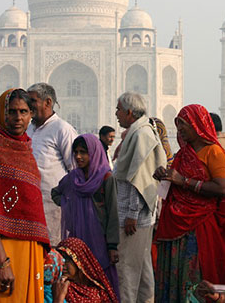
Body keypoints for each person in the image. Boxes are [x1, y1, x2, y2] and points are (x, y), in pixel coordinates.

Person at [0, 88, 50, 302]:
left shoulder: (26, 150)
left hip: (26, 248)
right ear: (1, 113)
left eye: (24, 111)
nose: (18, 118)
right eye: (12, 111)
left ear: (31, 114)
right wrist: (1, 262)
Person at [154, 104, 225, 302]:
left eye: (183, 125)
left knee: (196, 276)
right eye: (178, 125)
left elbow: (222, 188)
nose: (179, 130)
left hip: (201, 225)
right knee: (175, 278)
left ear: (197, 125)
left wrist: (184, 181)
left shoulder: (213, 152)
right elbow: (174, 186)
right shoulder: (182, 155)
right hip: (176, 226)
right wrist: (164, 177)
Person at [112, 92, 166, 303]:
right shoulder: (139, 132)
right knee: (143, 272)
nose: (116, 114)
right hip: (139, 217)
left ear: (129, 112)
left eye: (118, 110)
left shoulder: (141, 135)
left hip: (132, 217)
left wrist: (132, 214)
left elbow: (140, 178)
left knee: (126, 270)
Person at [52, 133, 120, 298]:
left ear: (94, 153)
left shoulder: (106, 178)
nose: (78, 156)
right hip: (79, 240)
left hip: (100, 241)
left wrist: (112, 246)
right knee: (81, 276)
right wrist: (69, 203)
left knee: (101, 278)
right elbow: (55, 193)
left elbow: (113, 214)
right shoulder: (73, 178)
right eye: (76, 152)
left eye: (83, 152)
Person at [27, 82, 78, 246]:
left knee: (53, 251)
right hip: (29, 204)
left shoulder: (62, 129)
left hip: (53, 207)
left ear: (47, 102)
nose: (29, 106)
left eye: (32, 101)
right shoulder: (29, 130)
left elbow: (75, 169)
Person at [52, 237, 118, 303]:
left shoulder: (99, 294)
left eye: (67, 259)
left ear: (80, 262)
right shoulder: (58, 287)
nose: (62, 263)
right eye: (59, 258)